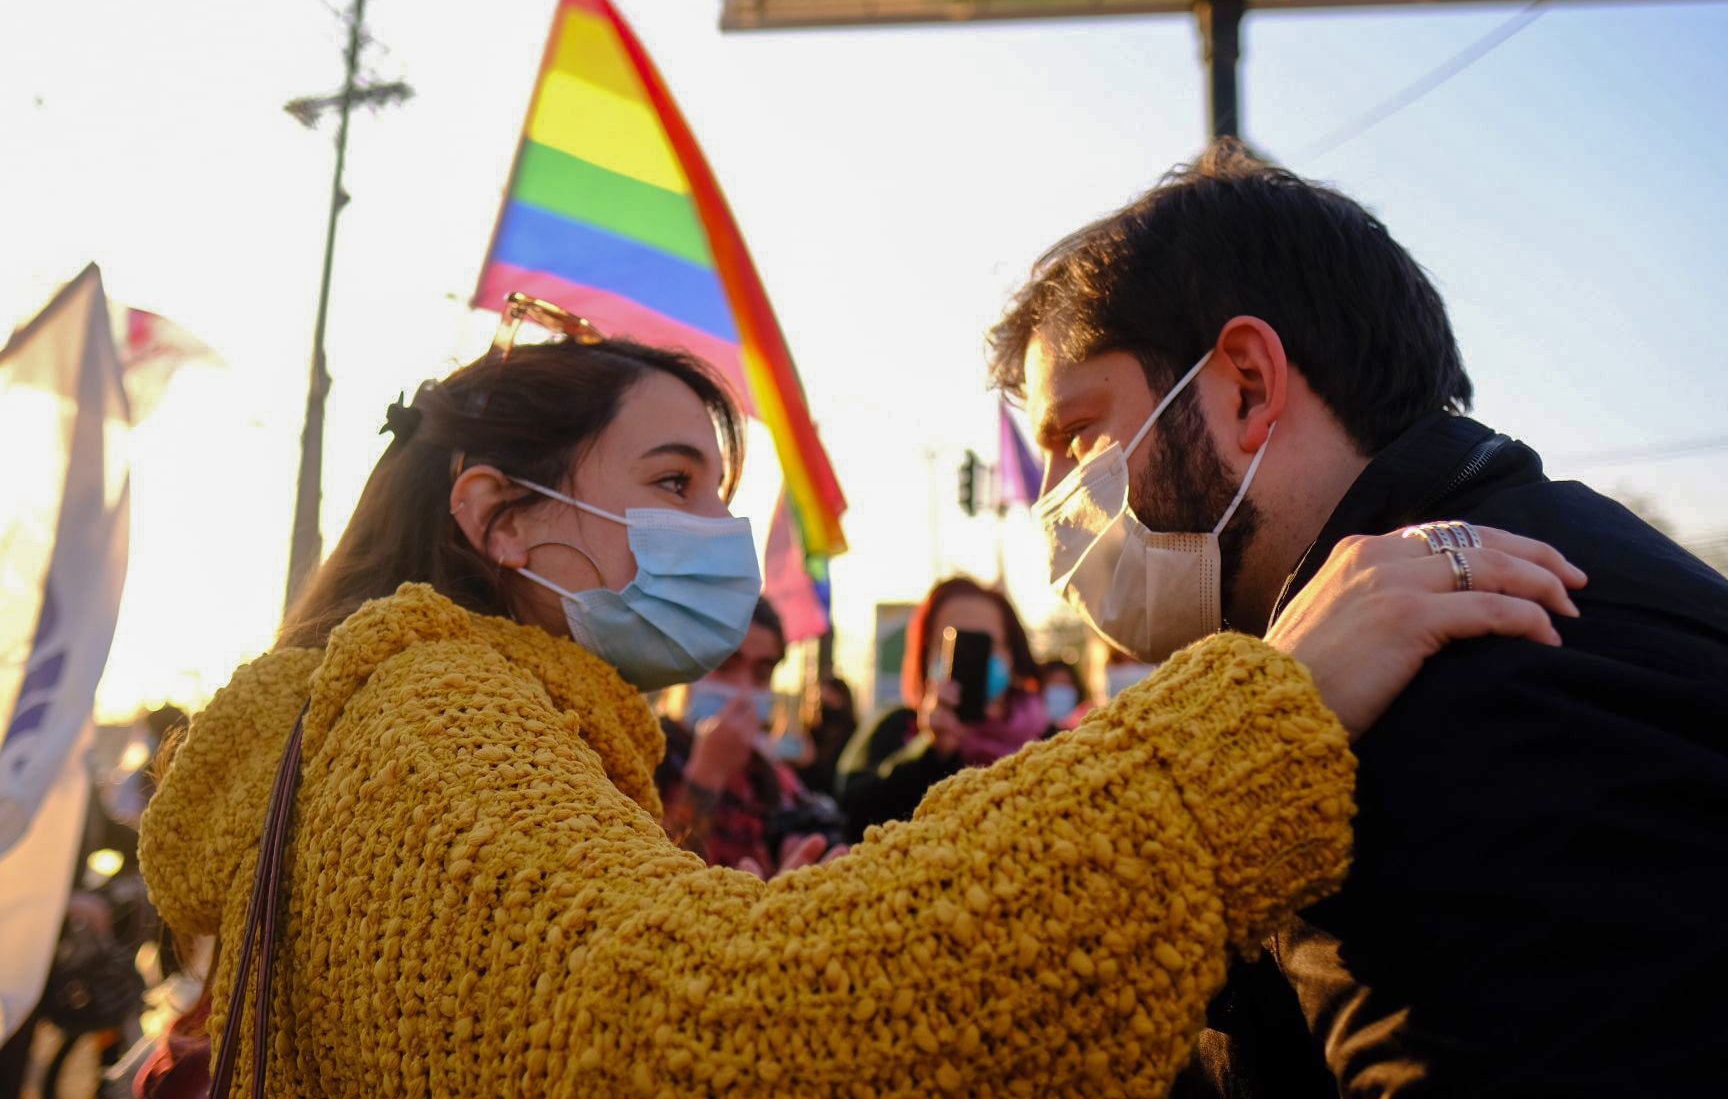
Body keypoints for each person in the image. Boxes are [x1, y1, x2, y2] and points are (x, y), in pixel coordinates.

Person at [138, 295, 1580, 1097]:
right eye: (673, 484)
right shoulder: (428, 708)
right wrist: (1259, 716)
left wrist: (788, 911)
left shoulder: (414, 722)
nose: (720, 535)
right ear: (501, 521)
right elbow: (705, 1034)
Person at [987, 139, 1728, 1097]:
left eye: (1078, 432)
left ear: (1248, 384)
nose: (1052, 499)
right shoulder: (1523, 556)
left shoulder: (1457, 682)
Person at [835, 577, 1050, 840]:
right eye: (953, 642)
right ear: (925, 654)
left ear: (1013, 655)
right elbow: (854, 814)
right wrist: (930, 751)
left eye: (986, 644)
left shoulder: (1050, 740)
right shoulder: (894, 728)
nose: (971, 658)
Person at [655, 597, 844, 875]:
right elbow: (647, 873)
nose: (743, 690)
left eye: (761, 673)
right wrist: (706, 776)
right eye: (724, 665)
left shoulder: (770, 775)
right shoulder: (642, 755)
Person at [795, 674, 857, 798]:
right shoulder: (812, 731)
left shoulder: (851, 732)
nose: (826, 701)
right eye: (822, 697)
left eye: (832, 696)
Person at [1037, 658, 1092, 728]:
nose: (1060, 691)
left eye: (1066, 684)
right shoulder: (1029, 731)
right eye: (1055, 684)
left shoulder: (1088, 725)